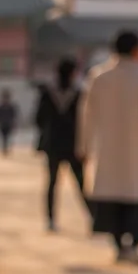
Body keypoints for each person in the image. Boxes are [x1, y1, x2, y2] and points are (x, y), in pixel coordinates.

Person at [80, 30, 138, 264]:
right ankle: (136, 245)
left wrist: (84, 146)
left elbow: (86, 117)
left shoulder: (99, 77)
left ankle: (119, 245)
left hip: (108, 150)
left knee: (113, 200)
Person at [34, 58, 87, 232]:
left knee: (52, 183)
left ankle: (50, 219)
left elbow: (38, 119)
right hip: (73, 143)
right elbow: (85, 121)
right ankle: (93, 217)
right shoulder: (79, 94)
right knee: (81, 183)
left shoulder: (47, 93)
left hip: (53, 143)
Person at [0, 88, 19, 156]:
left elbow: (14, 115)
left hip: (8, 123)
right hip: (3, 123)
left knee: (7, 137)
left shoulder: (10, 106)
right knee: (4, 137)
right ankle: (4, 148)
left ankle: (5, 148)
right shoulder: (1, 106)